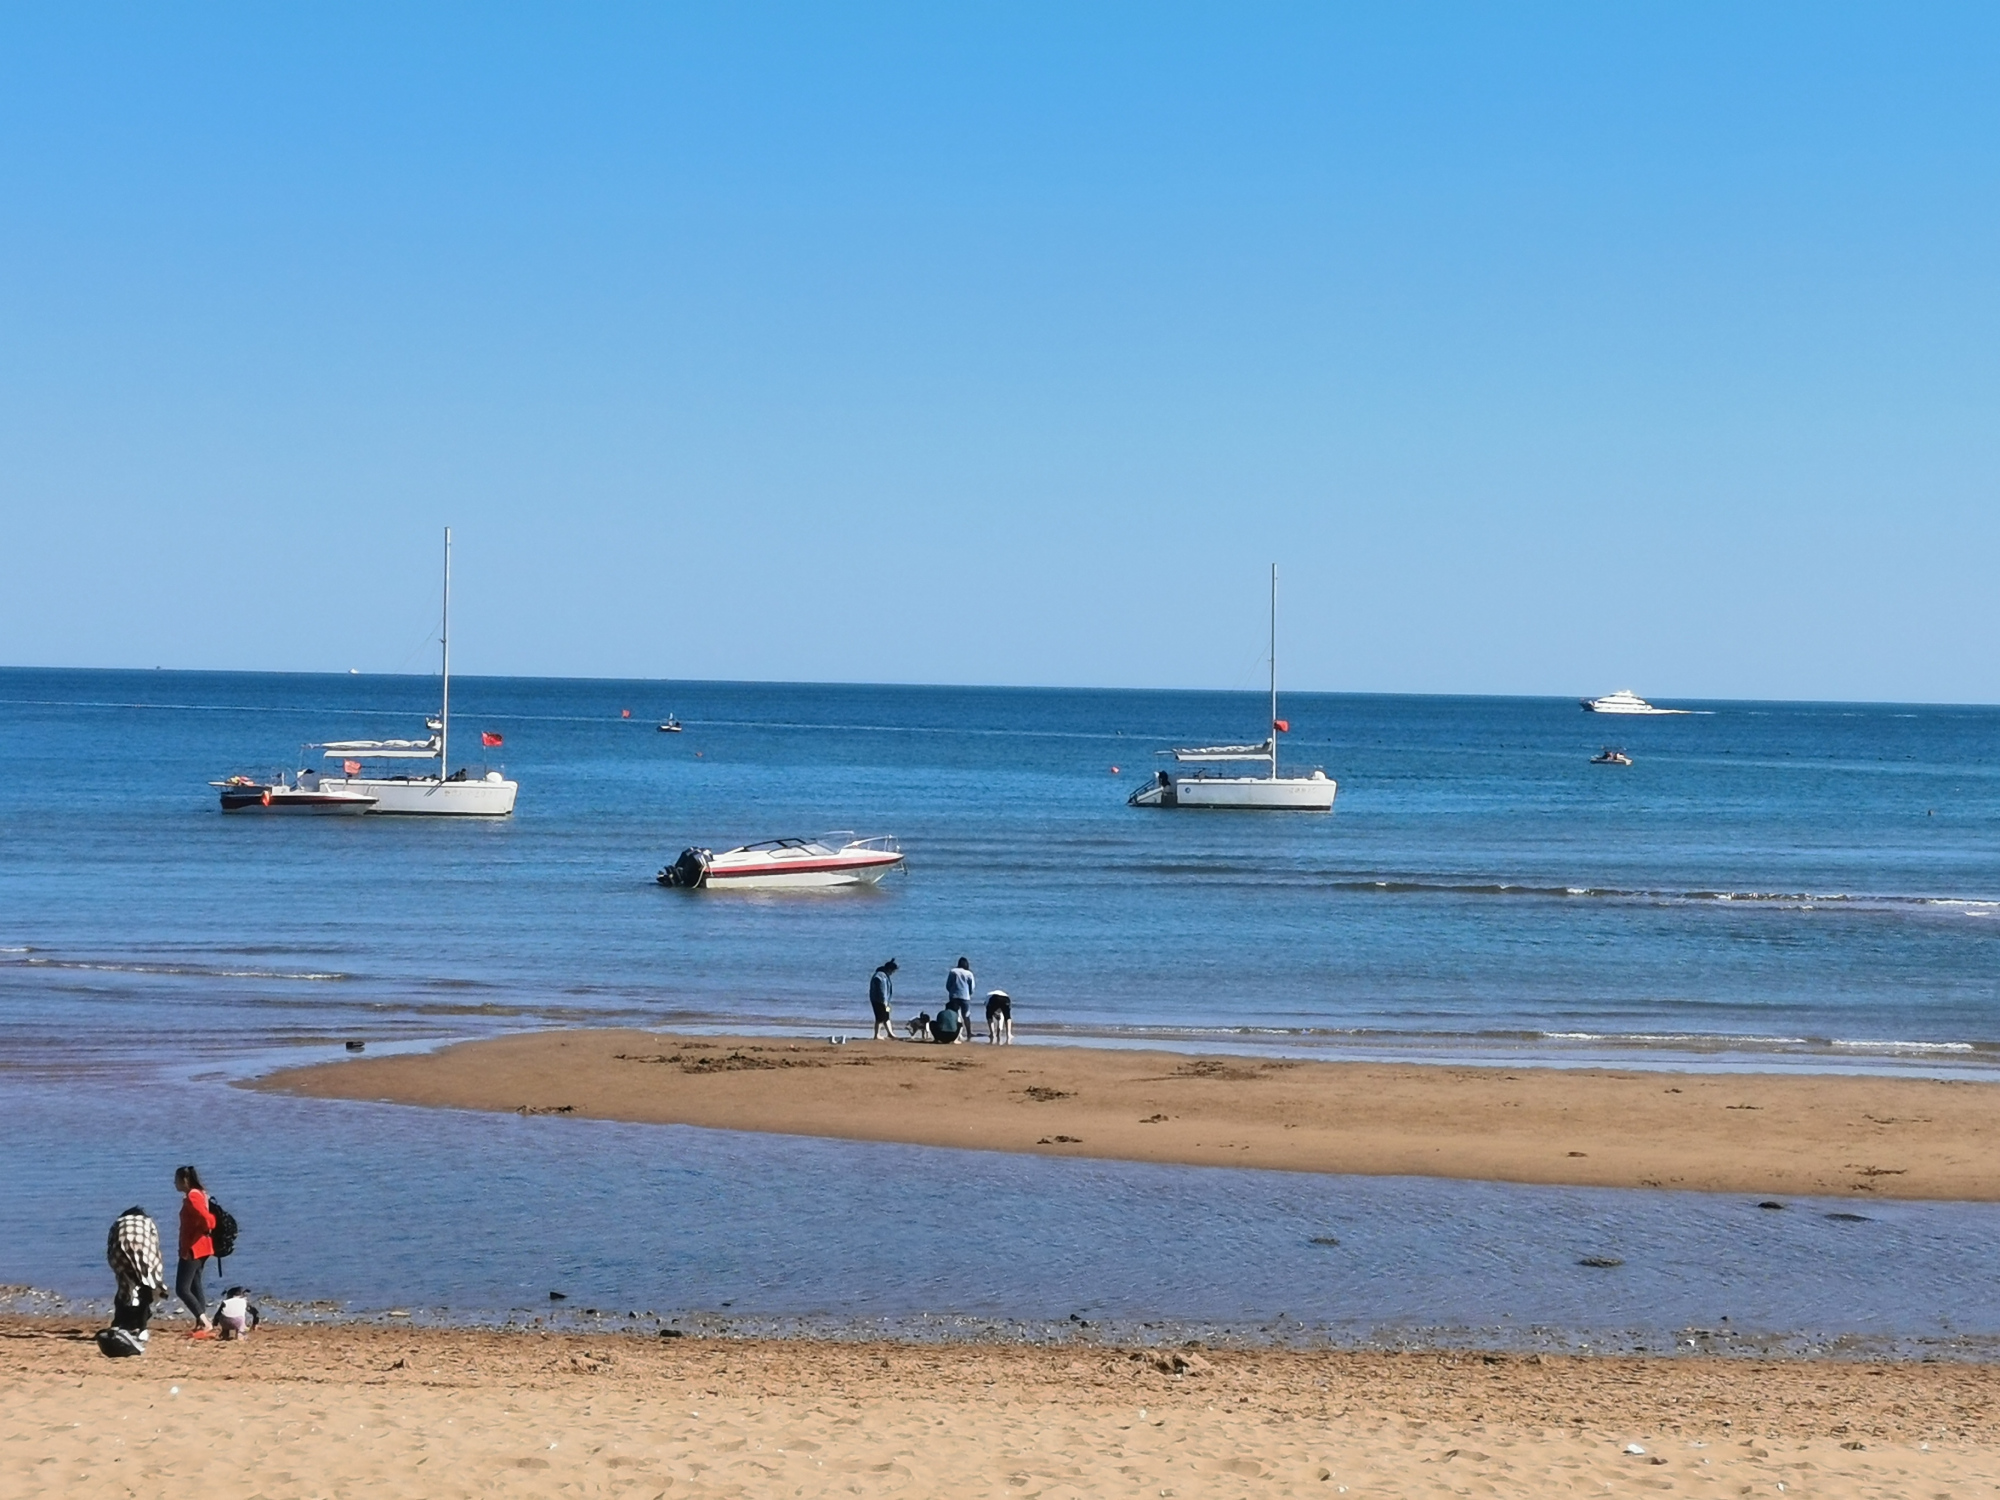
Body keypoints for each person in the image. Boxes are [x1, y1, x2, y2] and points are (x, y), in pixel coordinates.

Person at [105, 1204, 166, 1346]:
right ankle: (142, 1329)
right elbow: (154, 1244)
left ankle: (118, 1324)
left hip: (120, 1252)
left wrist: (116, 1266)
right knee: (146, 1288)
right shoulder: (148, 1222)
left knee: (124, 1287)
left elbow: (110, 1243)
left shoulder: (119, 1222)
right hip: (144, 1252)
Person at [174, 1165, 218, 1335]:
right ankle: (202, 1321)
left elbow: (207, 1219)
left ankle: (205, 1322)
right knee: (195, 1283)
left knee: (182, 1288)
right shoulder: (199, 1194)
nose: (174, 1183)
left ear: (185, 1180)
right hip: (202, 1246)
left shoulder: (193, 1196)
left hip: (194, 1247)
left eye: (176, 1180)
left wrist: (206, 1228)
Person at [945, 957, 975, 1040]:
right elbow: (972, 987)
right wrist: (969, 994)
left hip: (954, 996)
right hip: (965, 997)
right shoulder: (969, 973)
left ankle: (954, 1032)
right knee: (966, 1015)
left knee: (954, 1015)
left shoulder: (953, 971)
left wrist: (951, 991)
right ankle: (969, 1032)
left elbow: (948, 985)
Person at [869, 958, 899, 1040]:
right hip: (879, 1001)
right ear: (889, 969)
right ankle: (876, 1035)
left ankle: (890, 1033)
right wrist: (884, 1002)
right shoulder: (880, 976)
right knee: (880, 1018)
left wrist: (887, 1002)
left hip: (885, 1001)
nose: (893, 973)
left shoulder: (884, 975)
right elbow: (882, 990)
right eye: (893, 971)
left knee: (887, 1016)